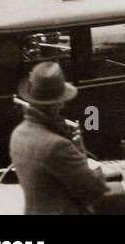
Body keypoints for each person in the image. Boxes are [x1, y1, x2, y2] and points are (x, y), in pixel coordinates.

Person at [9, 62, 108, 216]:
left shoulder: (18, 134)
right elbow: (94, 189)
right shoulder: (57, 145)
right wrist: (81, 152)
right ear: (57, 104)